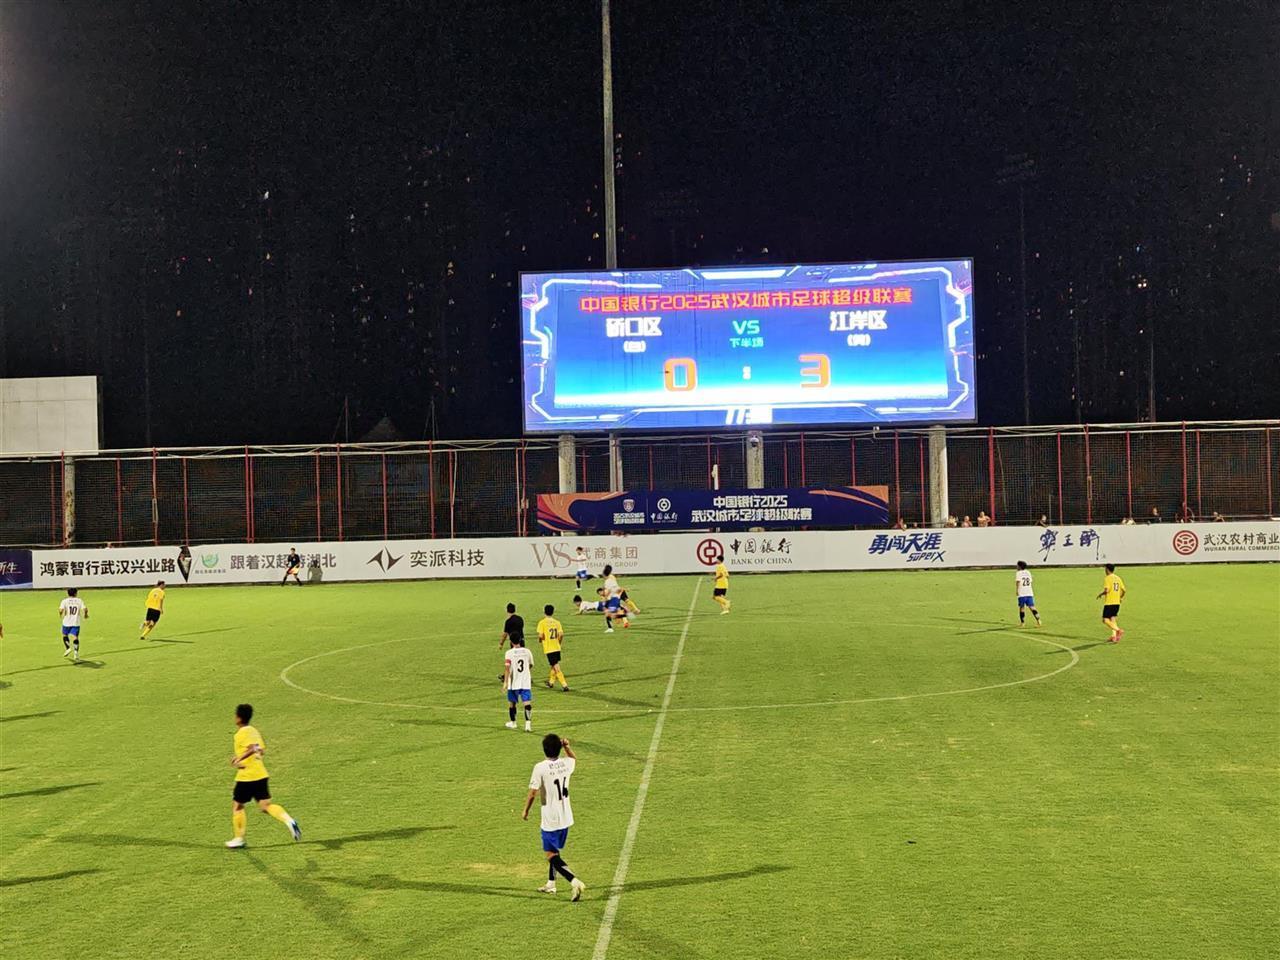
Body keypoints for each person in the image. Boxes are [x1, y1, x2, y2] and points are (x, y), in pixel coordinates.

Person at [225, 703, 301, 849]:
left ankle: (239, 838)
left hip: (247, 776)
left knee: (238, 806)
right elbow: (260, 750)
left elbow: (253, 748)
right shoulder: (254, 731)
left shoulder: (241, 733)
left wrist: (239, 759)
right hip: (260, 774)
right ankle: (289, 820)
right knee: (266, 806)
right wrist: (243, 758)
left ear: (238, 718)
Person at [522, 733, 586, 901]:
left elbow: (533, 793)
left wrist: (526, 811)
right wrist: (567, 747)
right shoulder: (566, 763)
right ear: (559, 748)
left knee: (551, 855)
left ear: (544, 749)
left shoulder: (540, 767)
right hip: (566, 816)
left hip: (550, 818)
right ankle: (551, 884)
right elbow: (573, 759)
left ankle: (574, 881)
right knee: (555, 850)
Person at [503, 636, 534, 731]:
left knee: (512, 703)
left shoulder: (509, 653)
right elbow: (531, 664)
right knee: (527, 703)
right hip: (525, 681)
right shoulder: (527, 651)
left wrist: (505, 682)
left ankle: (513, 723)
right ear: (520, 640)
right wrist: (525, 672)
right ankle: (528, 725)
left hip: (513, 682)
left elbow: (507, 669)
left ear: (511, 641)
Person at [537, 604, 569, 691]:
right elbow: (561, 634)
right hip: (556, 646)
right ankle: (551, 682)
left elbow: (540, 635)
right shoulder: (557, 622)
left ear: (544, 612)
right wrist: (559, 642)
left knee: (555, 666)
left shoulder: (542, 623)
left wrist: (540, 640)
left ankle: (564, 685)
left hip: (549, 648)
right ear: (553, 612)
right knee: (553, 665)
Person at [1096, 563, 1127, 643]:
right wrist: (1120, 598)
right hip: (1117, 603)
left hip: (1109, 602)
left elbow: (1107, 590)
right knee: (1112, 618)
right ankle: (1114, 636)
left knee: (1105, 620)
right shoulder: (1118, 578)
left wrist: (1101, 594)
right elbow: (1124, 590)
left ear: (1107, 569)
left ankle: (1118, 630)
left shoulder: (1107, 578)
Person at [58, 588, 87, 662]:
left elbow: (61, 610)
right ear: (75, 593)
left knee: (64, 635)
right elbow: (85, 609)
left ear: (68, 593)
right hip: (76, 622)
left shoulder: (64, 601)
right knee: (75, 637)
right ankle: (76, 653)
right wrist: (85, 615)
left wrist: (60, 614)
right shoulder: (79, 600)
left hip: (66, 622)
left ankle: (68, 648)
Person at [1014, 561, 1042, 626]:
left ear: (1020, 566)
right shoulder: (1028, 572)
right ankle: (1038, 620)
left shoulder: (1018, 573)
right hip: (1029, 592)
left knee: (1022, 607)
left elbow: (1018, 582)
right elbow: (1030, 581)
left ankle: (1022, 622)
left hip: (1022, 592)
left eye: (1017, 565)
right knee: (1032, 607)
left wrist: (1017, 590)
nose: (1016, 567)